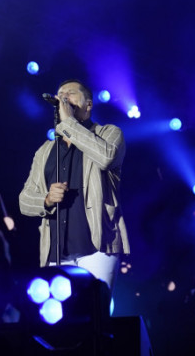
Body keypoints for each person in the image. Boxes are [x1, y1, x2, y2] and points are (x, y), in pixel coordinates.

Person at [18, 79, 129, 293]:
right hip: (56, 251)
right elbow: (24, 201)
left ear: (89, 104)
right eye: (60, 94)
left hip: (98, 248)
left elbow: (106, 158)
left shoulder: (109, 134)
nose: (63, 98)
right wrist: (46, 199)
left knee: (96, 309)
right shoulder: (45, 151)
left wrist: (68, 122)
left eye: (70, 93)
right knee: (62, 314)